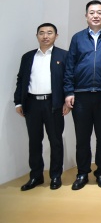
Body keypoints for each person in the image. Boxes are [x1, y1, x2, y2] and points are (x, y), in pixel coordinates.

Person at [64, 0, 101, 190]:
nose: (95, 15)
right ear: (86, 16)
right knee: (82, 138)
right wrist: (68, 91)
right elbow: (69, 66)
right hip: (81, 95)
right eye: (92, 12)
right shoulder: (77, 38)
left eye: (99, 12)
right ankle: (82, 173)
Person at [14, 23, 69, 191]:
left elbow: (68, 80)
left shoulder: (63, 55)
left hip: (53, 104)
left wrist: (67, 101)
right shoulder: (28, 57)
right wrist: (18, 102)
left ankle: (55, 176)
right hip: (32, 104)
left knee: (55, 141)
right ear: (37, 35)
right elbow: (21, 79)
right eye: (42, 33)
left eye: (50, 33)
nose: (45, 36)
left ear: (56, 36)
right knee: (34, 142)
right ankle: (36, 176)